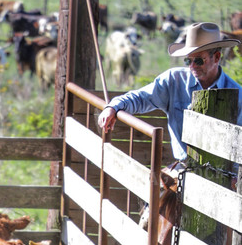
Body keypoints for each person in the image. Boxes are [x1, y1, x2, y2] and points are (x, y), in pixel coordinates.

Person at [98, 23, 242, 161]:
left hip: (224, 176)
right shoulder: (174, 80)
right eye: (187, 61)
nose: (192, 66)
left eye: (198, 60)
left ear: (216, 57)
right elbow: (140, 98)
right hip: (183, 167)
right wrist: (113, 107)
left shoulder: (238, 95)